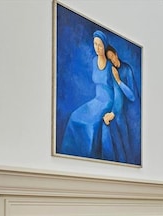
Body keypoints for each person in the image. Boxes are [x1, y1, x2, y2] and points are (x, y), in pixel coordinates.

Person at [60, 30, 115, 159]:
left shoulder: (110, 65)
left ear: (105, 45)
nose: (97, 48)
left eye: (100, 45)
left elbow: (116, 91)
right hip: (96, 100)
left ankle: (91, 157)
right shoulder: (94, 61)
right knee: (74, 116)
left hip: (107, 102)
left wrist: (112, 111)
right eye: (95, 44)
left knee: (92, 124)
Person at [105, 44, 140, 164]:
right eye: (109, 60)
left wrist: (119, 81)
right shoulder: (112, 72)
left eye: (112, 57)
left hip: (134, 114)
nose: (112, 61)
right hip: (121, 111)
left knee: (131, 145)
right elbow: (115, 95)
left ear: (116, 55)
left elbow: (132, 96)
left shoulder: (127, 69)